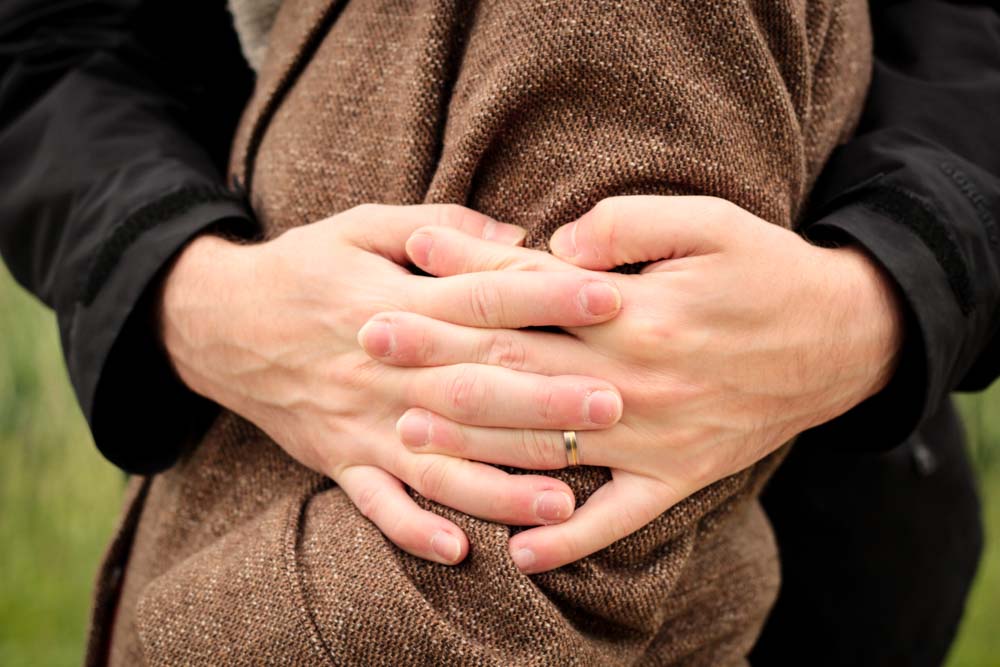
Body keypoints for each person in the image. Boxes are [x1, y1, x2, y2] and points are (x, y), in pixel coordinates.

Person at [0, 0, 996, 665]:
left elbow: (500, 575)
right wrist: (186, 290)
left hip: (814, 551)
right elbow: (47, 53)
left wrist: (888, 287)